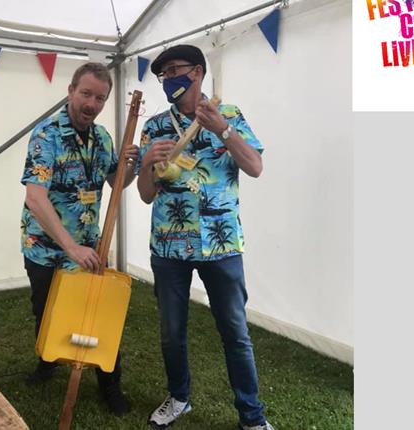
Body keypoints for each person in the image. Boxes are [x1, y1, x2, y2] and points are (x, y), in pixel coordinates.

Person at [135, 45, 275, 430]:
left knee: (235, 332)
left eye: (174, 71)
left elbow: (256, 166)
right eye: (162, 75)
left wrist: (223, 131)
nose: (168, 80)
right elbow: (146, 194)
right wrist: (146, 163)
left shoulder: (229, 115)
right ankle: (179, 398)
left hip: (221, 245)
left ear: (196, 72)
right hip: (168, 246)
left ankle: (252, 417)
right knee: (171, 332)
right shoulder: (155, 127)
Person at [19, 62, 138, 416]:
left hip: (90, 247)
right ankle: (48, 362)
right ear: (71, 90)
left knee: (98, 314)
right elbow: (35, 197)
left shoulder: (101, 137)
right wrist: (69, 246)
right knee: (47, 311)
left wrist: (129, 167)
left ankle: (109, 385)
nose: (92, 104)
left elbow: (117, 184)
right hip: (45, 248)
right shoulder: (46, 135)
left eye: (100, 98)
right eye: (86, 94)